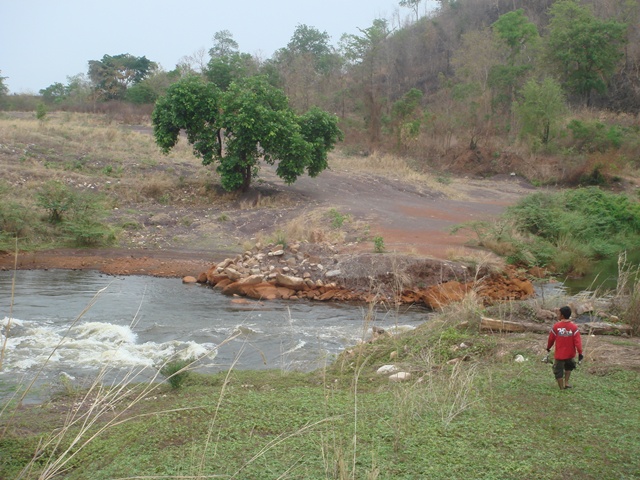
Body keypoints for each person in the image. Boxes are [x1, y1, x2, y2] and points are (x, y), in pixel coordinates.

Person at [546, 306, 584, 390]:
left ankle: (561, 388)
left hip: (559, 355)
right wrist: (580, 353)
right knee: (569, 367)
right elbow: (578, 342)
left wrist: (548, 347)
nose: (558, 315)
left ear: (562, 315)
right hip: (570, 354)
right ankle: (566, 383)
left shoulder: (556, 326)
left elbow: (551, 339)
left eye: (559, 314)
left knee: (558, 371)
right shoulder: (574, 327)